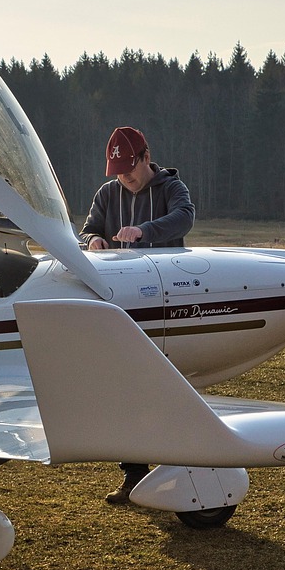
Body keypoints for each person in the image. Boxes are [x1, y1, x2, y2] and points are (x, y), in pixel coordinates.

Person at [79, 126, 196, 504]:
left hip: (168, 301)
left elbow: (184, 218)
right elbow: (88, 229)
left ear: (146, 157)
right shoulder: (107, 193)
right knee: (125, 385)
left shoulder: (171, 188)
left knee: (170, 386)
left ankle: (182, 469)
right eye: (118, 173)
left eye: (130, 170)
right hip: (123, 301)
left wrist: (144, 232)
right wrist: (93, 240)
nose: (124, 179)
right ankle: (134, 476)